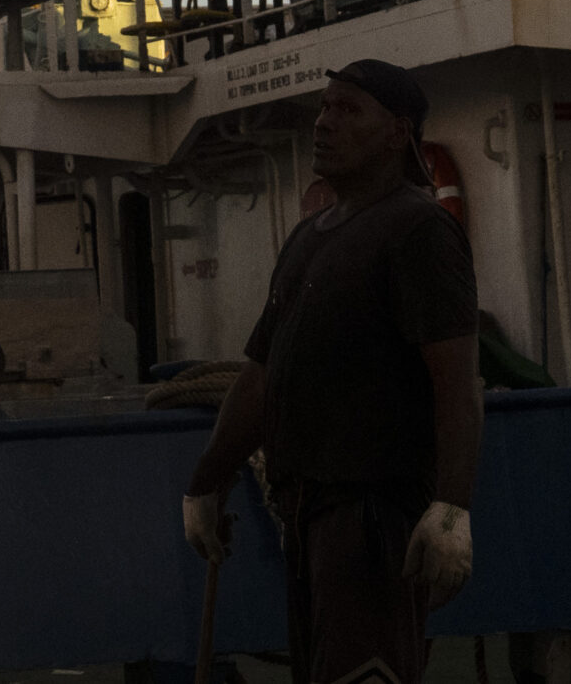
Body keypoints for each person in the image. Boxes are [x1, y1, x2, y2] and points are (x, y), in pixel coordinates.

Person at [182, 59, 482, 684]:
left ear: (397, 134)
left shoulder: (419, 228)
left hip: (373, 516)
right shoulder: (308, 238)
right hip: (308, 515)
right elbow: (262, 374)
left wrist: (451, 509)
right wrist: (207, 479)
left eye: (347, 110)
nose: (324, 123)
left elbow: (456, 382)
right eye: (324, 107)